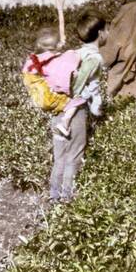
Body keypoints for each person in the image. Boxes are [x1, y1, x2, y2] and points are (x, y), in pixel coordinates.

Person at [47, 13, 107, 203]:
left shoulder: (74, 53)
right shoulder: (94, 58)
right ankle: (67, 199)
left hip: (57, 109)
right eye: (107, 29)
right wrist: (96, 109)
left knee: (60, 157)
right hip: (75, 112)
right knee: (73, 156)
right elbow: (78, 88)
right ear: (100, 33)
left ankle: (54, 197)